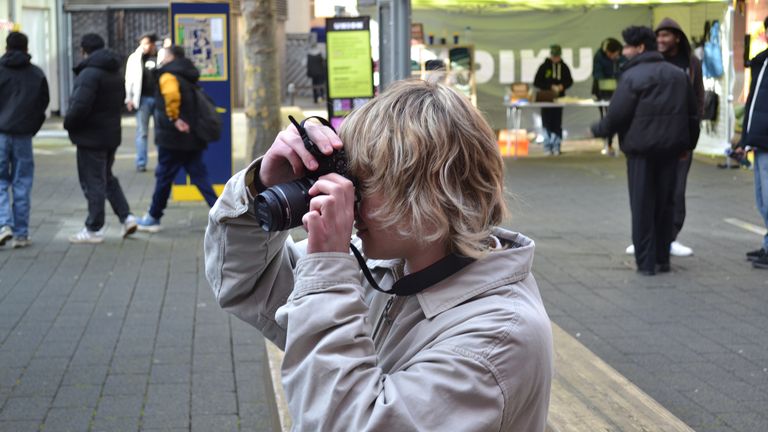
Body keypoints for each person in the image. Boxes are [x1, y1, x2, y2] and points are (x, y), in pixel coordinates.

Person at [204, 79, 554, 430]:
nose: (349, 199)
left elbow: (342, 423)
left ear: (431, 194)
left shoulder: (499, 340)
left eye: (363, 182)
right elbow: (244, 282)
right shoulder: (389, 263)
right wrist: (260, 186)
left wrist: (328, 269)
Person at [591, 26, 699, 275]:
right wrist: (688, 145)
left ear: (639, 48)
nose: (624, 51)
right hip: (672, 152)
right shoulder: (677, 74)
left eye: (627, 47)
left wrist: (597, 130)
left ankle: (646, 263)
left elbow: (617, 115)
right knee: (665, 204)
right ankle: (663, 259)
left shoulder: (632, 77)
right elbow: (693, 115)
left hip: (641, 153)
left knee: (642, 207)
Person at [64, 33, 137, 244]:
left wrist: (69, 123)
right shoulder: (113, 71)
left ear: (84, 50)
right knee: (107, 178)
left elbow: (79, 106)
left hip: (91, 137)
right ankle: (126, 217)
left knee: (93, 181)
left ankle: (94, 228)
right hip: (110, 135)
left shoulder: (89, 74)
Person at [136, 46, 217, 232]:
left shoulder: (168, 75)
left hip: (173, 137)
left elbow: (171, 97)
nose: (160, 56)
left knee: (164, 176)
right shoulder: (186, 72)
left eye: (163, 54)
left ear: (171, 56)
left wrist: (174, 118)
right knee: (199, 176)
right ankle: (224, 213)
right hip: (192, 136)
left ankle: (153, 217)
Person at [651, 18, 705, 258]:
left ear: (677, 37)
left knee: (676, 190)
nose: (661, 40)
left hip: (681, 139)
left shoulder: (692, 63)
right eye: (658, 35)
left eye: (666, 35)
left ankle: (671, 238)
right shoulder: (653, 61)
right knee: (649, 189)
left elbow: (698, 97)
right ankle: (649, 238)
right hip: (654, 137)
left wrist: (692, 134)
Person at [0, 32, 49, 249]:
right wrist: (32, 128)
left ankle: (3, 225)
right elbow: (42, 106)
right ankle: (21, 233)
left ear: (6, 47)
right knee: (22, 182)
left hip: (0, 134)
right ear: (26, 48)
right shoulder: (36, 74)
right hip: (23, 136)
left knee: (0, 182)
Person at [738, 17, 768, 270]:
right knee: (762, 200)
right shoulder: (762, 61)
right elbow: (754, 104)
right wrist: (745, 138)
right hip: (760, 142)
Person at [125, 32, 159, 172]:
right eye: (143, 43)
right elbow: (129, 79)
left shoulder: (160, 56)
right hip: (142, 99)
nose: (146, 46)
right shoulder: (134, 58)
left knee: (160, 133)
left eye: (148, 43)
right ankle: (141, 162)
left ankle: (161, 163)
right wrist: (129, 98)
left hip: (159, 99)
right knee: (142, 132)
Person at [534, 44, 573, 156]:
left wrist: (562, 86)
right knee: (546, 123)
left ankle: (556, 146)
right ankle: (547, 146)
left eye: (557, 56)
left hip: (559, 99)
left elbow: (569, 81)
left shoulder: (564, 67)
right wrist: (550, 86)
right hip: (546, 99)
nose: (555, 59)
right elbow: (537, 82)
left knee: (557, 123)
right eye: (554, 56)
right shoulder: (544, 67)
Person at [592, 37, 625, 157]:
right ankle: (608, 144)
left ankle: (623, 144)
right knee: (607, 117)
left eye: (613, 54)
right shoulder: (599, 56)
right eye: (609, 54)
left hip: (620, 91)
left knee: (623, 116)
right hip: (603, 93)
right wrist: (606, 81)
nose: (611, 56)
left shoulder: (622, 56)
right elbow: (597, 74)